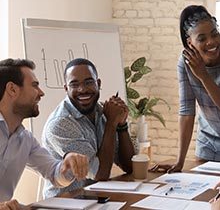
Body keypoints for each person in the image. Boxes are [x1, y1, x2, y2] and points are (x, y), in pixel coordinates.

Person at [150, 5, 220, 173]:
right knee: (202, 193)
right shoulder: (185, 63)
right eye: (202, 38)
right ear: (190, 42)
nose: (211, 42)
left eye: (215, 34)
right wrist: (179, 162)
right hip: (209, 139)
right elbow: (187, 111)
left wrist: (203, 75)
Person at [0, 58, 89, 208]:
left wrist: (68, 164)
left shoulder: (25, 139)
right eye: (35, 86)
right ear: (12, 89)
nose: (41, 93)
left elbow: (54, 174)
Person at [42, 58, 135, 198]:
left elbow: (129, 166)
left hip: (96, 199)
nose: (82, 89)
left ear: (98, 83)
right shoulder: (60, 124)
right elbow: (100, 174)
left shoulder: (102, 112)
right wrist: (111, 123)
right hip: (65, 204)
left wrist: (121, 124)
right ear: (66, 89)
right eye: (74, 84)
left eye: (88, 82)